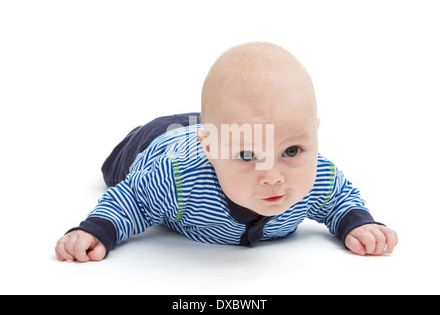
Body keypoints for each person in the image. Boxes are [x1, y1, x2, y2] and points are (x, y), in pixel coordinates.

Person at [55, 42, 398, 262]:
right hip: (158, 141)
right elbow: (131, 199)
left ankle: (223, 128)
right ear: (210, 150)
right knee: (114, 169)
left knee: (235, 122)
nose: (274, 177)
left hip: (216, 130)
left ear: (315, 135)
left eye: (292, 150)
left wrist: (358, 224)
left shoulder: (317, 176)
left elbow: (341, 200)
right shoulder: (176, 179)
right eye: (248, 156)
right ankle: (199, 129)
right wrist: (97, 230)